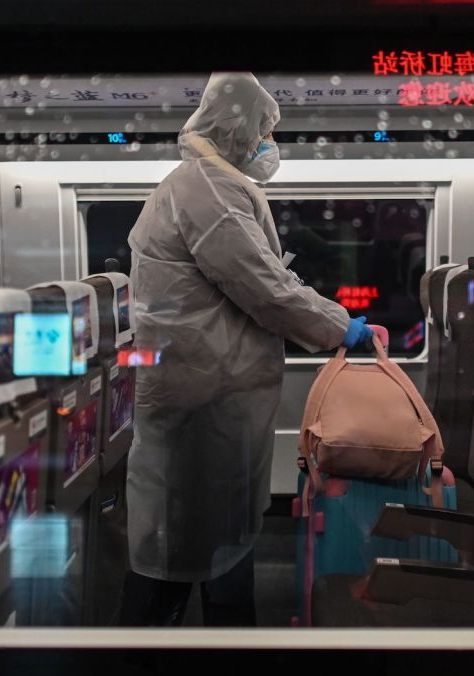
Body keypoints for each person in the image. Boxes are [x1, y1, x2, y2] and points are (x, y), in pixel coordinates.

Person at [118, 72, 372, 627]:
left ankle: (222, 659)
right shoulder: (206, 187)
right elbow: (265, 288)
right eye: (262, 133)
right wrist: (341, 327)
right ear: (236, 130)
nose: (267, 146)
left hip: (209, 396)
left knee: (210, 543)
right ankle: (163, 673)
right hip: (201, 403)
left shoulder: (210, 184)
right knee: (180, 552)